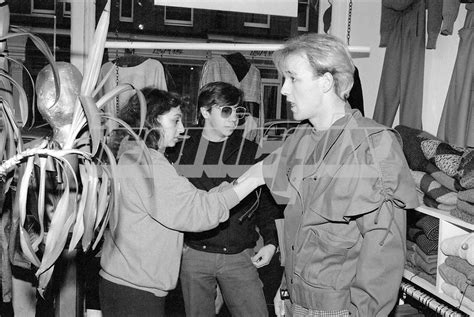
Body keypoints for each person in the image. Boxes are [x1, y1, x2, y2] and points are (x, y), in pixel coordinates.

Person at [237, 33, 419, 316]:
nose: (284, 90)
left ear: (325, 82)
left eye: (293, 78)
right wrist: (286, 288)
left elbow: (383, 255)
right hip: (295, 300)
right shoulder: (302, 137)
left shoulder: (373, 144)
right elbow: (302, 231)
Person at [98, 88, 262, 317]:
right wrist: (254, 180)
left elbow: (191, 200)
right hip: (137, 290)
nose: (183, 129)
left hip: (124, 281)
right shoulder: (149, 164)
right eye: (175, 121)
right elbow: (197, 212)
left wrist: (237, 185)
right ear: (152, 122)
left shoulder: (132, 154)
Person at [167, 81, 280, 317]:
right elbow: (170, 203)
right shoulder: (180, 149)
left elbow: (266, 202)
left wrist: (271, 242)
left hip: (239, 254)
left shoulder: (250, 151)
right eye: (226, 111)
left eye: (238, 112)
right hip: (195, 253)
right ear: (205, 112)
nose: (233, 119)